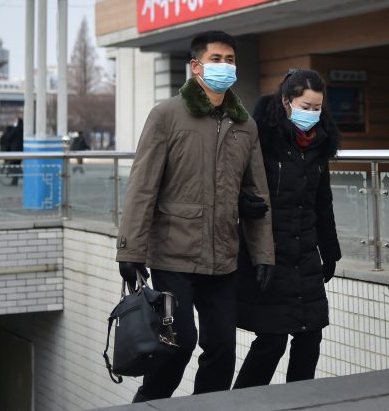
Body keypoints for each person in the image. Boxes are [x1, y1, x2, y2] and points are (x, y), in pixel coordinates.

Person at [116, 30, 275, 402]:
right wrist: (129, 250)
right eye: (216, 59)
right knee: (178, 342)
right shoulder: (167, 115)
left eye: (231, 60)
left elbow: (258, 194)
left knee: (221, 347)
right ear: (196, 67)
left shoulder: (245, 125)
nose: (225, 66)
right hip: (174, 252)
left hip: (224, 256)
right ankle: (149, 402)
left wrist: (264, 252)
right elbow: (142, 186)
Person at [233, 69, 341, 389]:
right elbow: (234, 182)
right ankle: (241, 403)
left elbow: (323, 200)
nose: (312, 114)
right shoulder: (262, 139)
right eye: (305, 106)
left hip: (305, 251)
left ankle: (300, 401)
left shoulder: (320, 144)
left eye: (317, 107)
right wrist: (243, 202)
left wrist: (330, 250)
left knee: (310, 337)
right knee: (272, 340)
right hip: (269, 251)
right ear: (286, 102)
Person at [0, 114, 23, 186]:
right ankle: (14, 181)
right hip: (21, 151)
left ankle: (20, 174)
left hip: (15, 150)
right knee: (16, 165)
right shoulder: (22, 129)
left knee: (12, 165)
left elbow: (9, 137)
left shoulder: (16, 130)